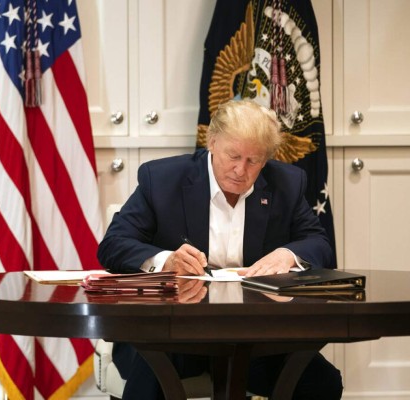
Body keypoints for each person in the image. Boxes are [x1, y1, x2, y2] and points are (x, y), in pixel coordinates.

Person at [97, 99, 342, 399]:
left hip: (254, 338)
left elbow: (319, 244)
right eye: (233, 156)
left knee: (322, 382)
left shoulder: (286, 184)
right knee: (150, 373)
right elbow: (113, 245)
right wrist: (166, 260)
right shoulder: (161, 180)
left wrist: (288, 254)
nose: (241, 170)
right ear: (212, 142)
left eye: (254, 160)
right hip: (171, 333)